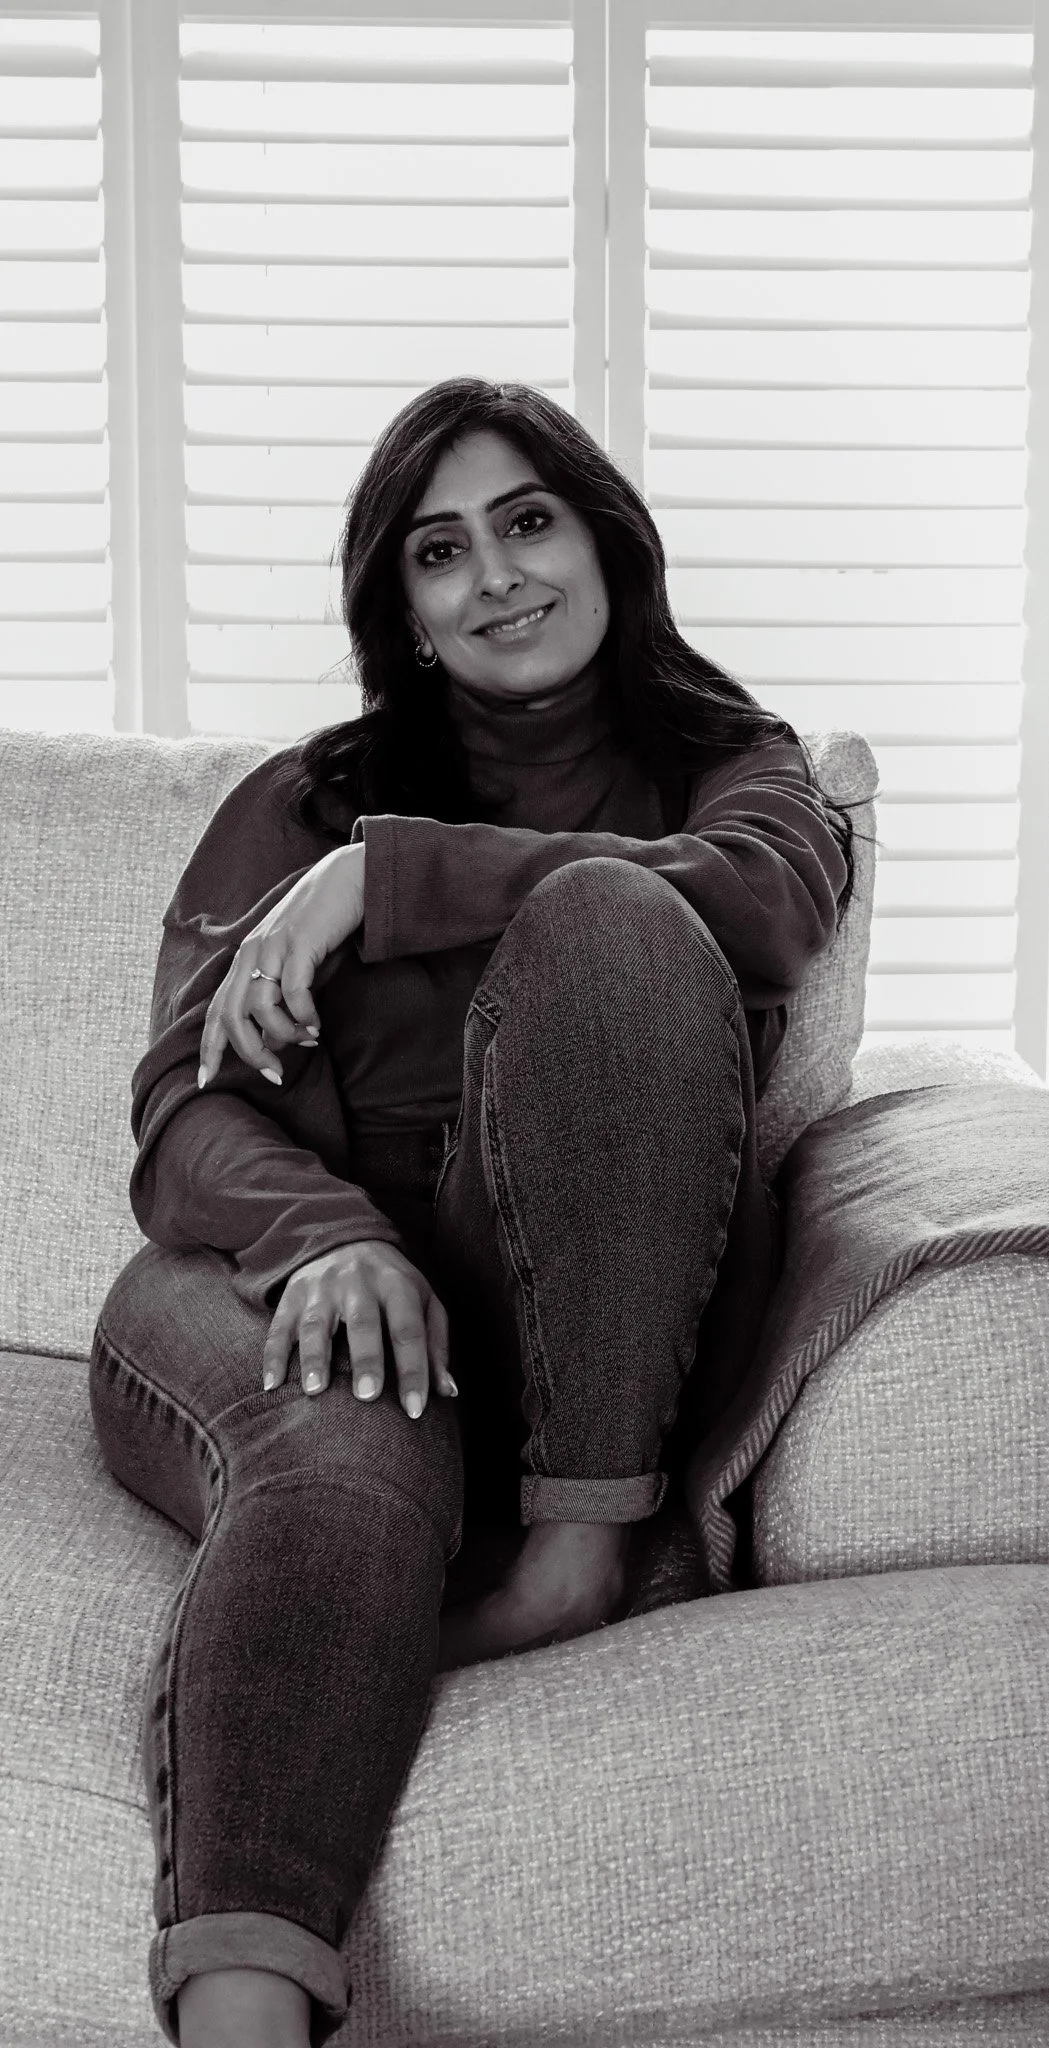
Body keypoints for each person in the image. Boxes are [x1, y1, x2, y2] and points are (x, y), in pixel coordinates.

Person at [88, 378, 855, 2048]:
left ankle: (572, 1551)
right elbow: (182, 1115)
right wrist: (332, 1236)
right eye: (441, 552)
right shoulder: (300, 803)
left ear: (603, 541)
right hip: (280, 1286)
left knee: (606, 917)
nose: (495, 575)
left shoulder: (741, 775)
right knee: (353, 1437)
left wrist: (400, 873)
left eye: (527, 522)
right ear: (406, 612)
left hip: (578, 1343)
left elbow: (767, 920)